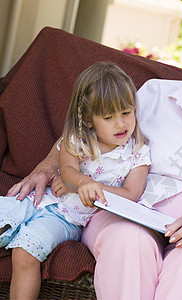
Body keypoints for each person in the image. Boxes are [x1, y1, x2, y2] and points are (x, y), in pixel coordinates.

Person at [7, 1, 182, 299]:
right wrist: (50, 164)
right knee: (128, 241)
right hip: (131, 211)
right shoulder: (157, 94)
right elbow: (91, 129)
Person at [1, 61, 150, 299]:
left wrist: (91, 186)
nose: (121, 124)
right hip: (37, 199)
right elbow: (68, 171)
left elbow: (132, 193)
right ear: (89, 119)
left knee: (24, 252)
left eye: (126, 112)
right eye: (109, 116)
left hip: (68, 218)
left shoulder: (138, 153)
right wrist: (78, 182)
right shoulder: (78, 139)